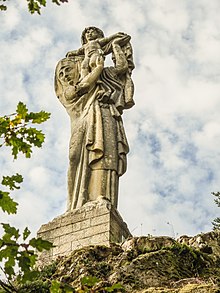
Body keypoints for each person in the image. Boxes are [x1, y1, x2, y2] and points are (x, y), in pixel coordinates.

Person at [55, 28, 135, 211]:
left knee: (105, 153)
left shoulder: (105, 75)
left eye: (67, 70)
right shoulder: (70, 88)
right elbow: (81, 88)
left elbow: (121, 68)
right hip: (85, 117)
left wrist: (115, 46)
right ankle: (74, 205)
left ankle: (101, 197)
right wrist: (96, 68)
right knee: (74, 157)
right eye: (61, 73)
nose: (65, 75)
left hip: (105, 112)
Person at [66, 27, 129, 96]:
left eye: (92, 32)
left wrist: (115, 35)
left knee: (94, 65)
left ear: (97, 34)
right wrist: (71, 53)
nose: (89, 34)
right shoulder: (85, 46)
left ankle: (97, 80)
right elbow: (78, 51)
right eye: (87, 33)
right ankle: (83, 78)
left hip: (95, 53)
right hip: (87, 56)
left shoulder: (96, 41)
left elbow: (107, 39)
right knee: (84, 67)